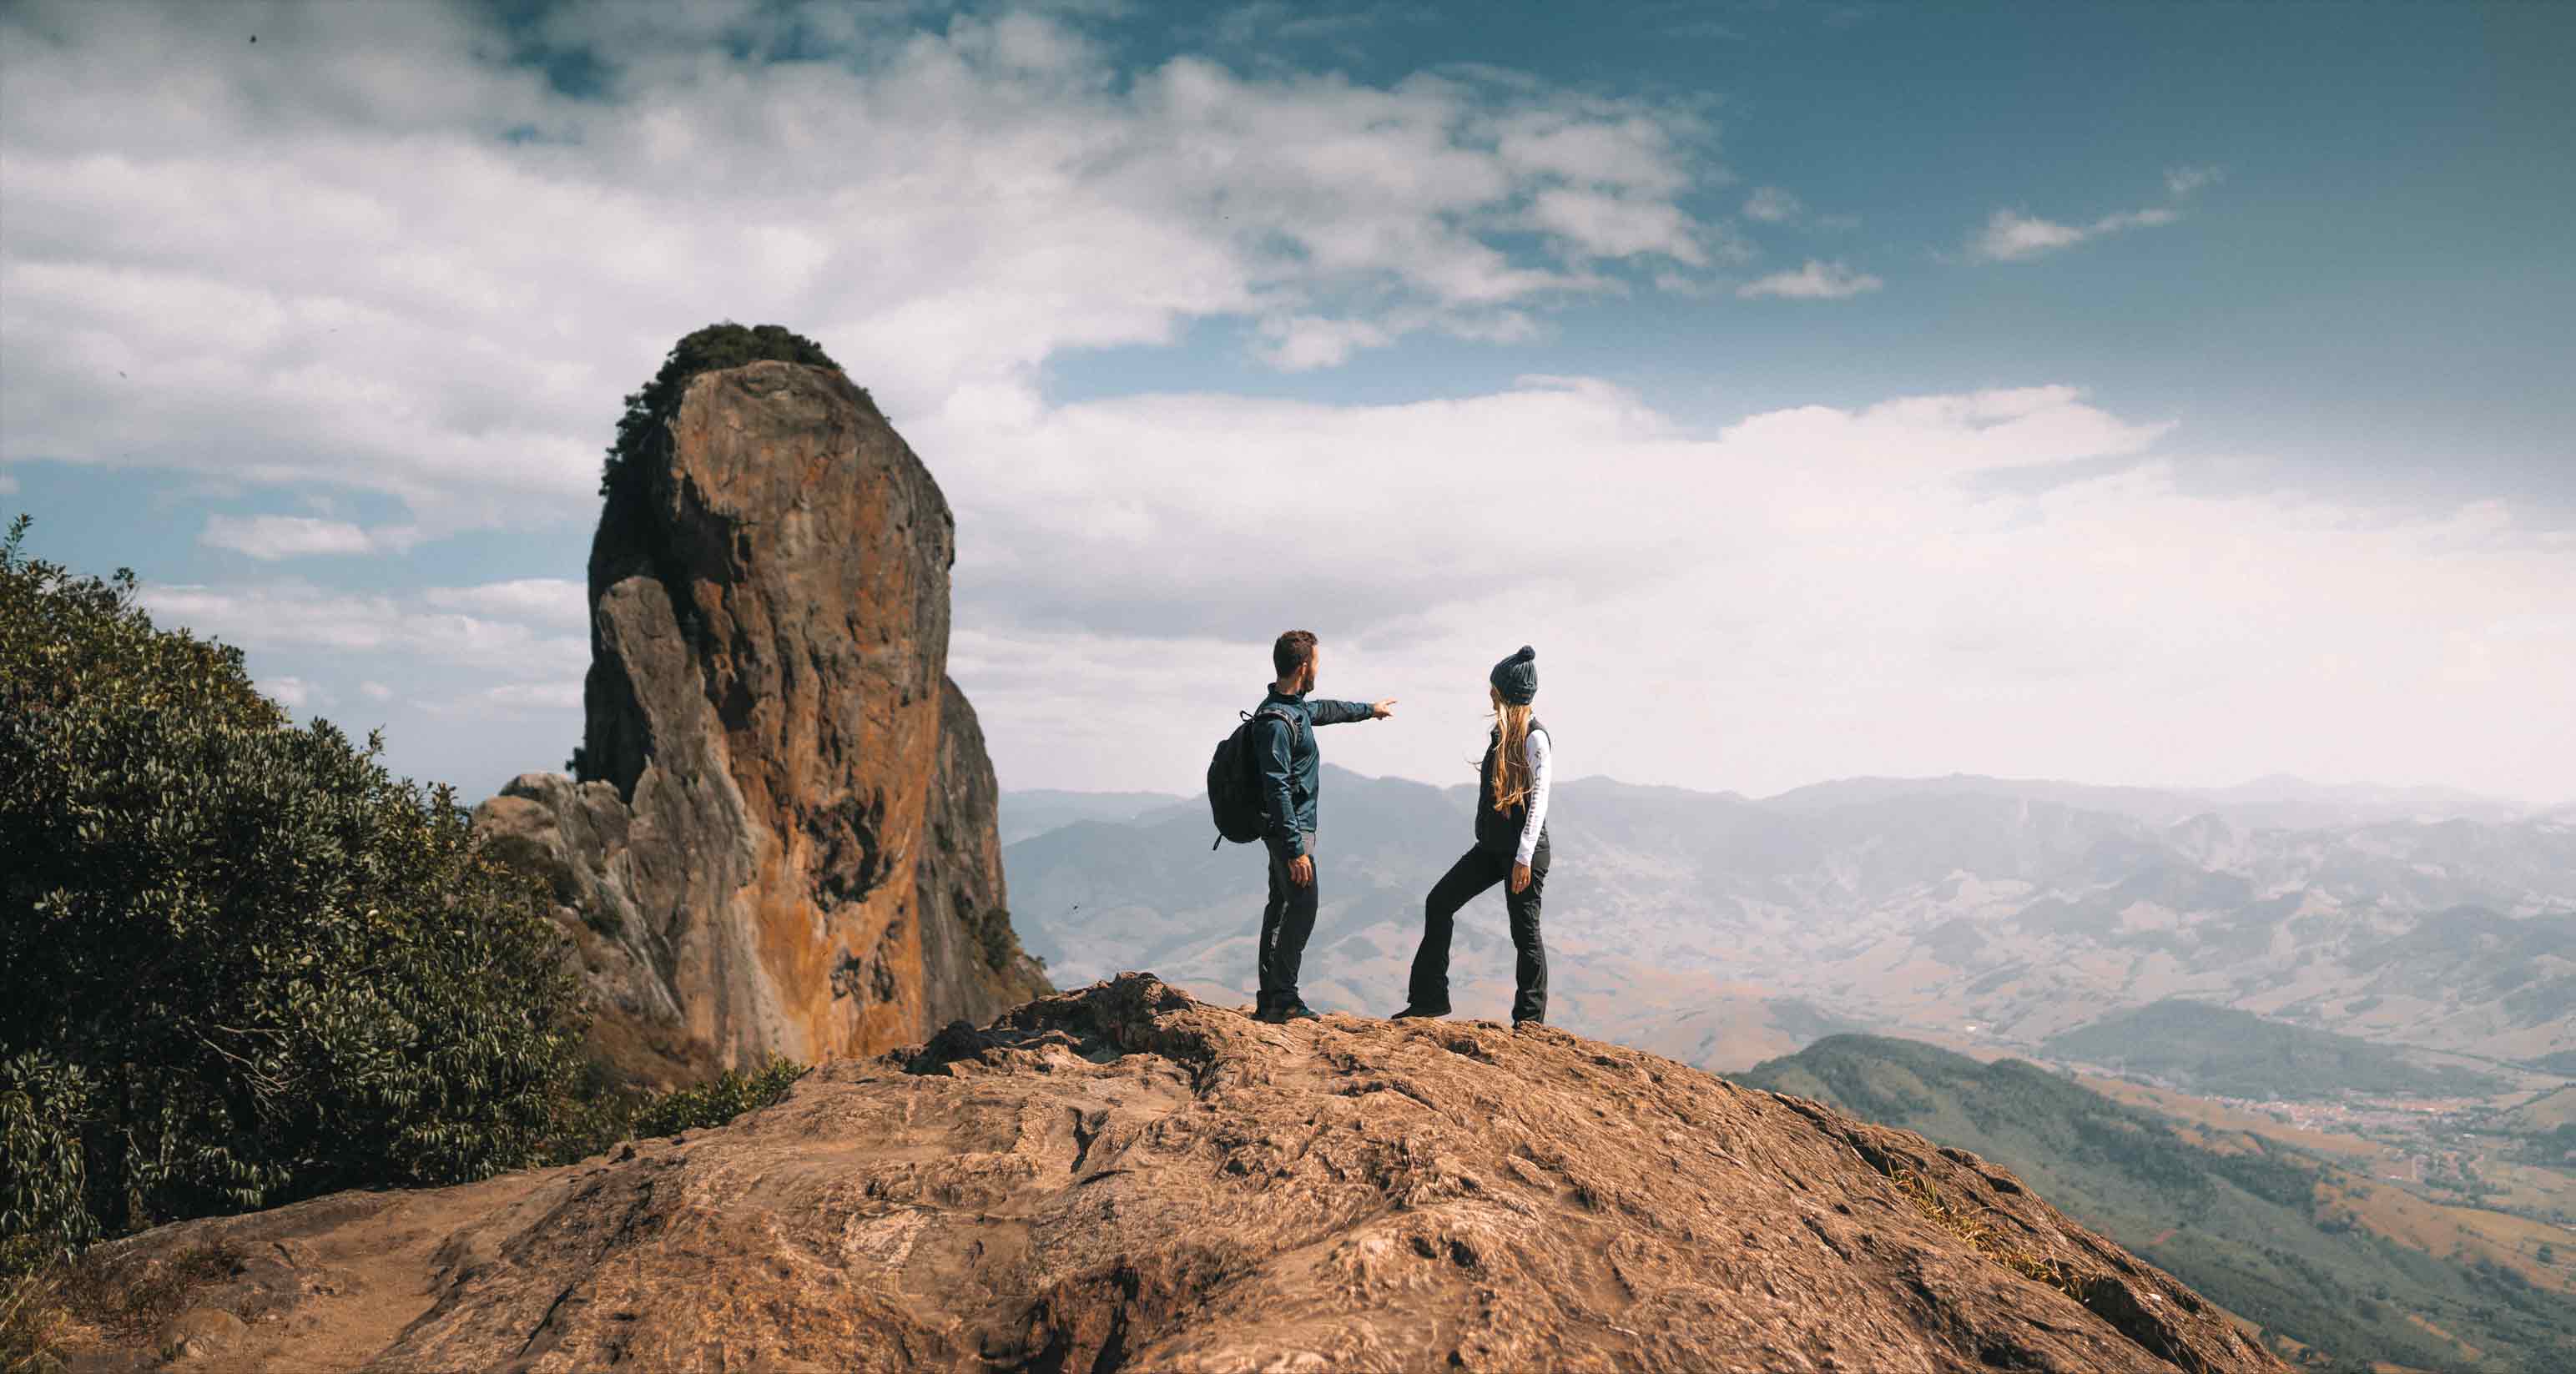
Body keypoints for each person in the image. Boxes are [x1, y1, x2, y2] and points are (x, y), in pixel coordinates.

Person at [1394, 645, 1552, 1028]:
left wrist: (1523, 857)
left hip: (1522, 853)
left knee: (1524, 932)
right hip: (1493, 848)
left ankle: (1529, 1022)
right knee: (1440, 902)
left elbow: (1540, 801)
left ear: (1505, 692)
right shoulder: (1502, 734)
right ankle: (1428, 1000)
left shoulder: (1534, 738)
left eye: (1493, 687)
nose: (1489, 693)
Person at [1252, 629, 1396, 1024]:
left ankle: (1271, 998)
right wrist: (1296, 848)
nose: (1318, 669)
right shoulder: (1277, 723)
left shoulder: (1292, 709)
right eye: (1316, 662)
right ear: (1303, 667)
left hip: (1291, 830)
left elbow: (1328, 710)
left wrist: (1370, 709)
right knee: (1303, 907)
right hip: (1290, 832)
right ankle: (1283, 997)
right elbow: (1277, 788)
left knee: (1282, 908)